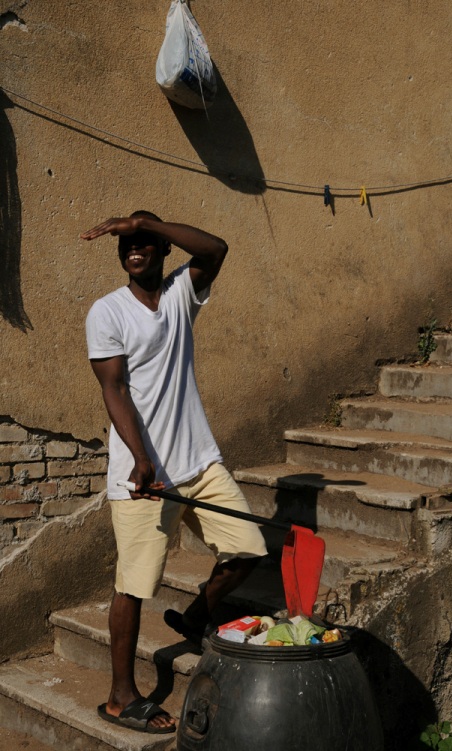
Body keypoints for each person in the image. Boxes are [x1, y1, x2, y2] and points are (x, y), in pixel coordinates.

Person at [83, 211, 268, 735]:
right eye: (128, 246)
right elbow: (113, 389)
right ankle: (121, 696)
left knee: (248, 550)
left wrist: (147, 221)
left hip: (198, 462)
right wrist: (141, 459)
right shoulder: (108, 311)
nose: (134, 250)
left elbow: (216, 249)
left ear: (163, 248)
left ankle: (193, 617)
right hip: (144, 477)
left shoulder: (181, 294)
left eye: (145, 243)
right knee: (135, 585)